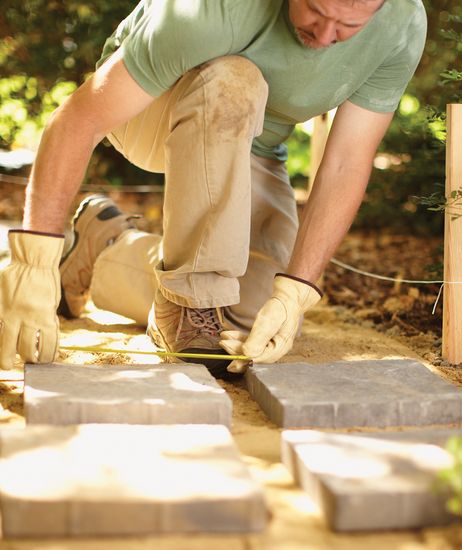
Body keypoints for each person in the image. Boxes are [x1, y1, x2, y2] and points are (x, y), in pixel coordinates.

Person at [0, 0, 427, 377]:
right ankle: (185, 300)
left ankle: (105, 244)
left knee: (248, 317)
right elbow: (79, 118)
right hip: (147, 110)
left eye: (348, 26)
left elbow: (347, 161)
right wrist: (33, 262)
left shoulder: (401, 25)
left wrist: (297, 289)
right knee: (234, 78)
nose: (325, 36)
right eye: (316, 11)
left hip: (252, 143)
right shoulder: (211, 8)